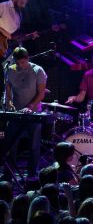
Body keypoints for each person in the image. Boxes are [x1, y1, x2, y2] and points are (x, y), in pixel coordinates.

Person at [1, 47, 47, 181]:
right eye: (18, 63)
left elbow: (41, 93)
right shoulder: (10, 70)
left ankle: (32, 175)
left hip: (33, 112)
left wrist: (30, 106)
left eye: (23, 62)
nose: (21, 65)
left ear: (28, 58)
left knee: (33, 145)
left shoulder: (38, 71)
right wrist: (8, 101)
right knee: (10, 144)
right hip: (16, 113)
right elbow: (8, 88)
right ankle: (8, 175)